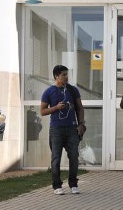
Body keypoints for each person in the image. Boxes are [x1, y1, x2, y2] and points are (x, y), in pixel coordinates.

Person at [40, 65, 86, 195]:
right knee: (56, 158)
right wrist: (56, 108)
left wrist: (81, 124)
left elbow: (80, 108)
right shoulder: (49, 91)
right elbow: (42, 111)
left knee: (74, 156)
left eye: (67, 74)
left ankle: (73, 184)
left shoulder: (73, 90)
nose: (66, 77)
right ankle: (57, 185)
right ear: (56, 76)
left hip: (72, 128)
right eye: (63, 75)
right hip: (56, 130)